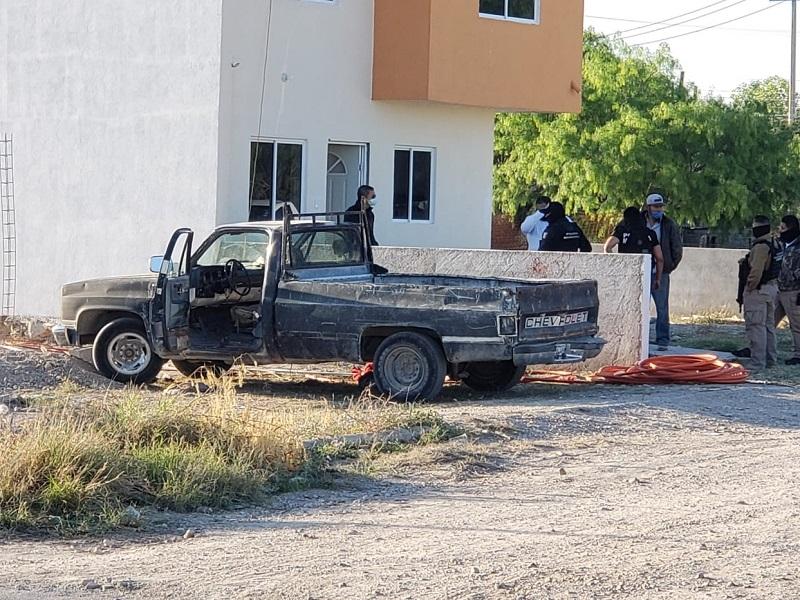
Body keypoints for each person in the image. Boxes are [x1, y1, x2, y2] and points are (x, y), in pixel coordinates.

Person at [643, 193, 683, 351]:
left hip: (661, 272)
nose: (658, 209)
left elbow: (677, 248)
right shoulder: (640, 222)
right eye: (655, 207)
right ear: (648, 207)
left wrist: (669, 266)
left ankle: (662, 339)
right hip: (642, 272)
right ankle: (642, 337)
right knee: (641, 307)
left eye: (660, 206)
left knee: (662, 308)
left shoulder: (668, 224)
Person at [740, 216, 780, 370]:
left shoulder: (761, 246)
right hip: (771, 289)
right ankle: (770, 360)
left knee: (756, 326)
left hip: (759, 290)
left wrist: (750, 288)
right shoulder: (774, 243)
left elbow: (756, 271)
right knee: (768, 326)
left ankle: (757, 362)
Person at [603, 207, 664, 291]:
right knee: (644, 301)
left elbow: (607, 247)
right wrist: (658, 279)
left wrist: (615, 264)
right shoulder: (650, 233)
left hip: (625, 271)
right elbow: (660, 258)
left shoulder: (622, 231)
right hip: (645, 272)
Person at [775, 215, 800, 365]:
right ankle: (759, 349)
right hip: (779, 290)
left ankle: (798, 355)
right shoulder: (783, 245)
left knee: (797, 325)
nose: (780, 230)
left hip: (794, 291)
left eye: (783, 228)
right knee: (768, 321)